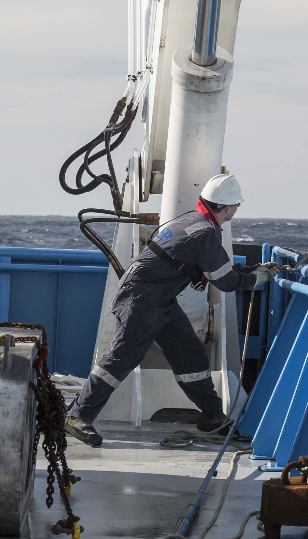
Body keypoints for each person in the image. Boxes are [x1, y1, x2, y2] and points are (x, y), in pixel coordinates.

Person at [64, 174, 288, 447]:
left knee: (190, 353)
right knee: (123, 356)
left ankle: (212, 417)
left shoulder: (193, 221)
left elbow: (212, 268)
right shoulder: (206, 233)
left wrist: (252, 271)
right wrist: (256, 278)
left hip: (159, 297)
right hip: (143, 298)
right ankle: (77, 415)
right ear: (229, 207)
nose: (236, 210)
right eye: (237, 205)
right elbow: (226, 281)